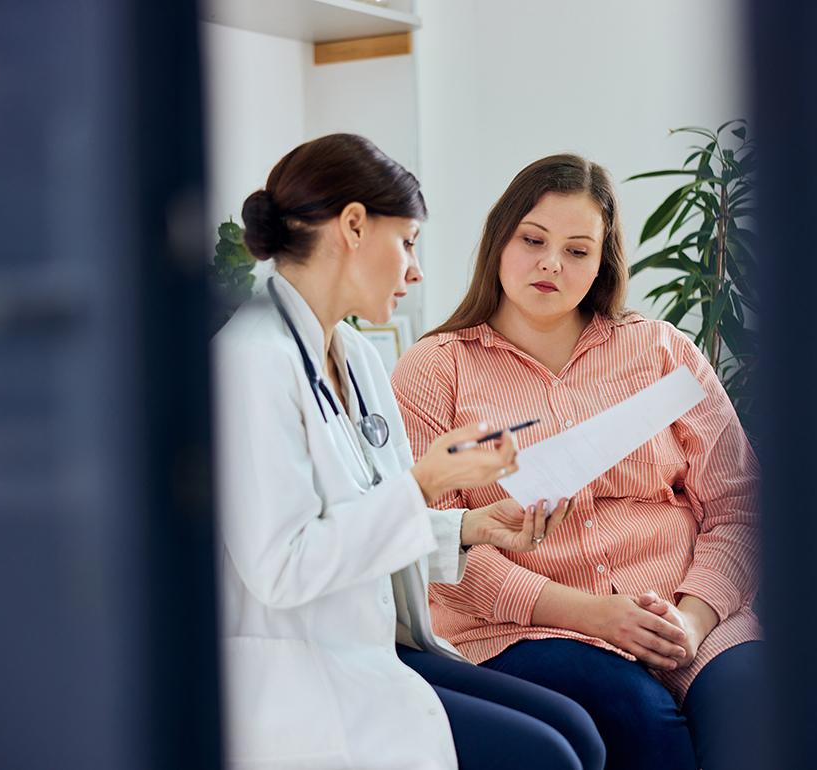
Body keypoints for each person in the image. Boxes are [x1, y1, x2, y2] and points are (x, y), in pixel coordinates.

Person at [212, 134, 604, 770]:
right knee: (549, 757)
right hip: (299, 674)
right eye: (408, 242)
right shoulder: (251, 361)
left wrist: (470, 527)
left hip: (370, 648)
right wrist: (424, 484)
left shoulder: (358, 358)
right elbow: (282, 569)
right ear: (354, 227)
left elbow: (374, 517)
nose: (416, 270)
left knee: (579, 733)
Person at [391, 154, 766, 770]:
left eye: (577, 250)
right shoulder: (436, 369)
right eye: (533, 240)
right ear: (499, 240)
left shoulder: (661, 350)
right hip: (531, 627)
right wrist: (595, 616)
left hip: (686, 611)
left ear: (601, 263)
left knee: (756, 706)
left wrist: (691, 620)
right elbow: (433, 546)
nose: (551, 264)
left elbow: (739, 506)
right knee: (640, 719)